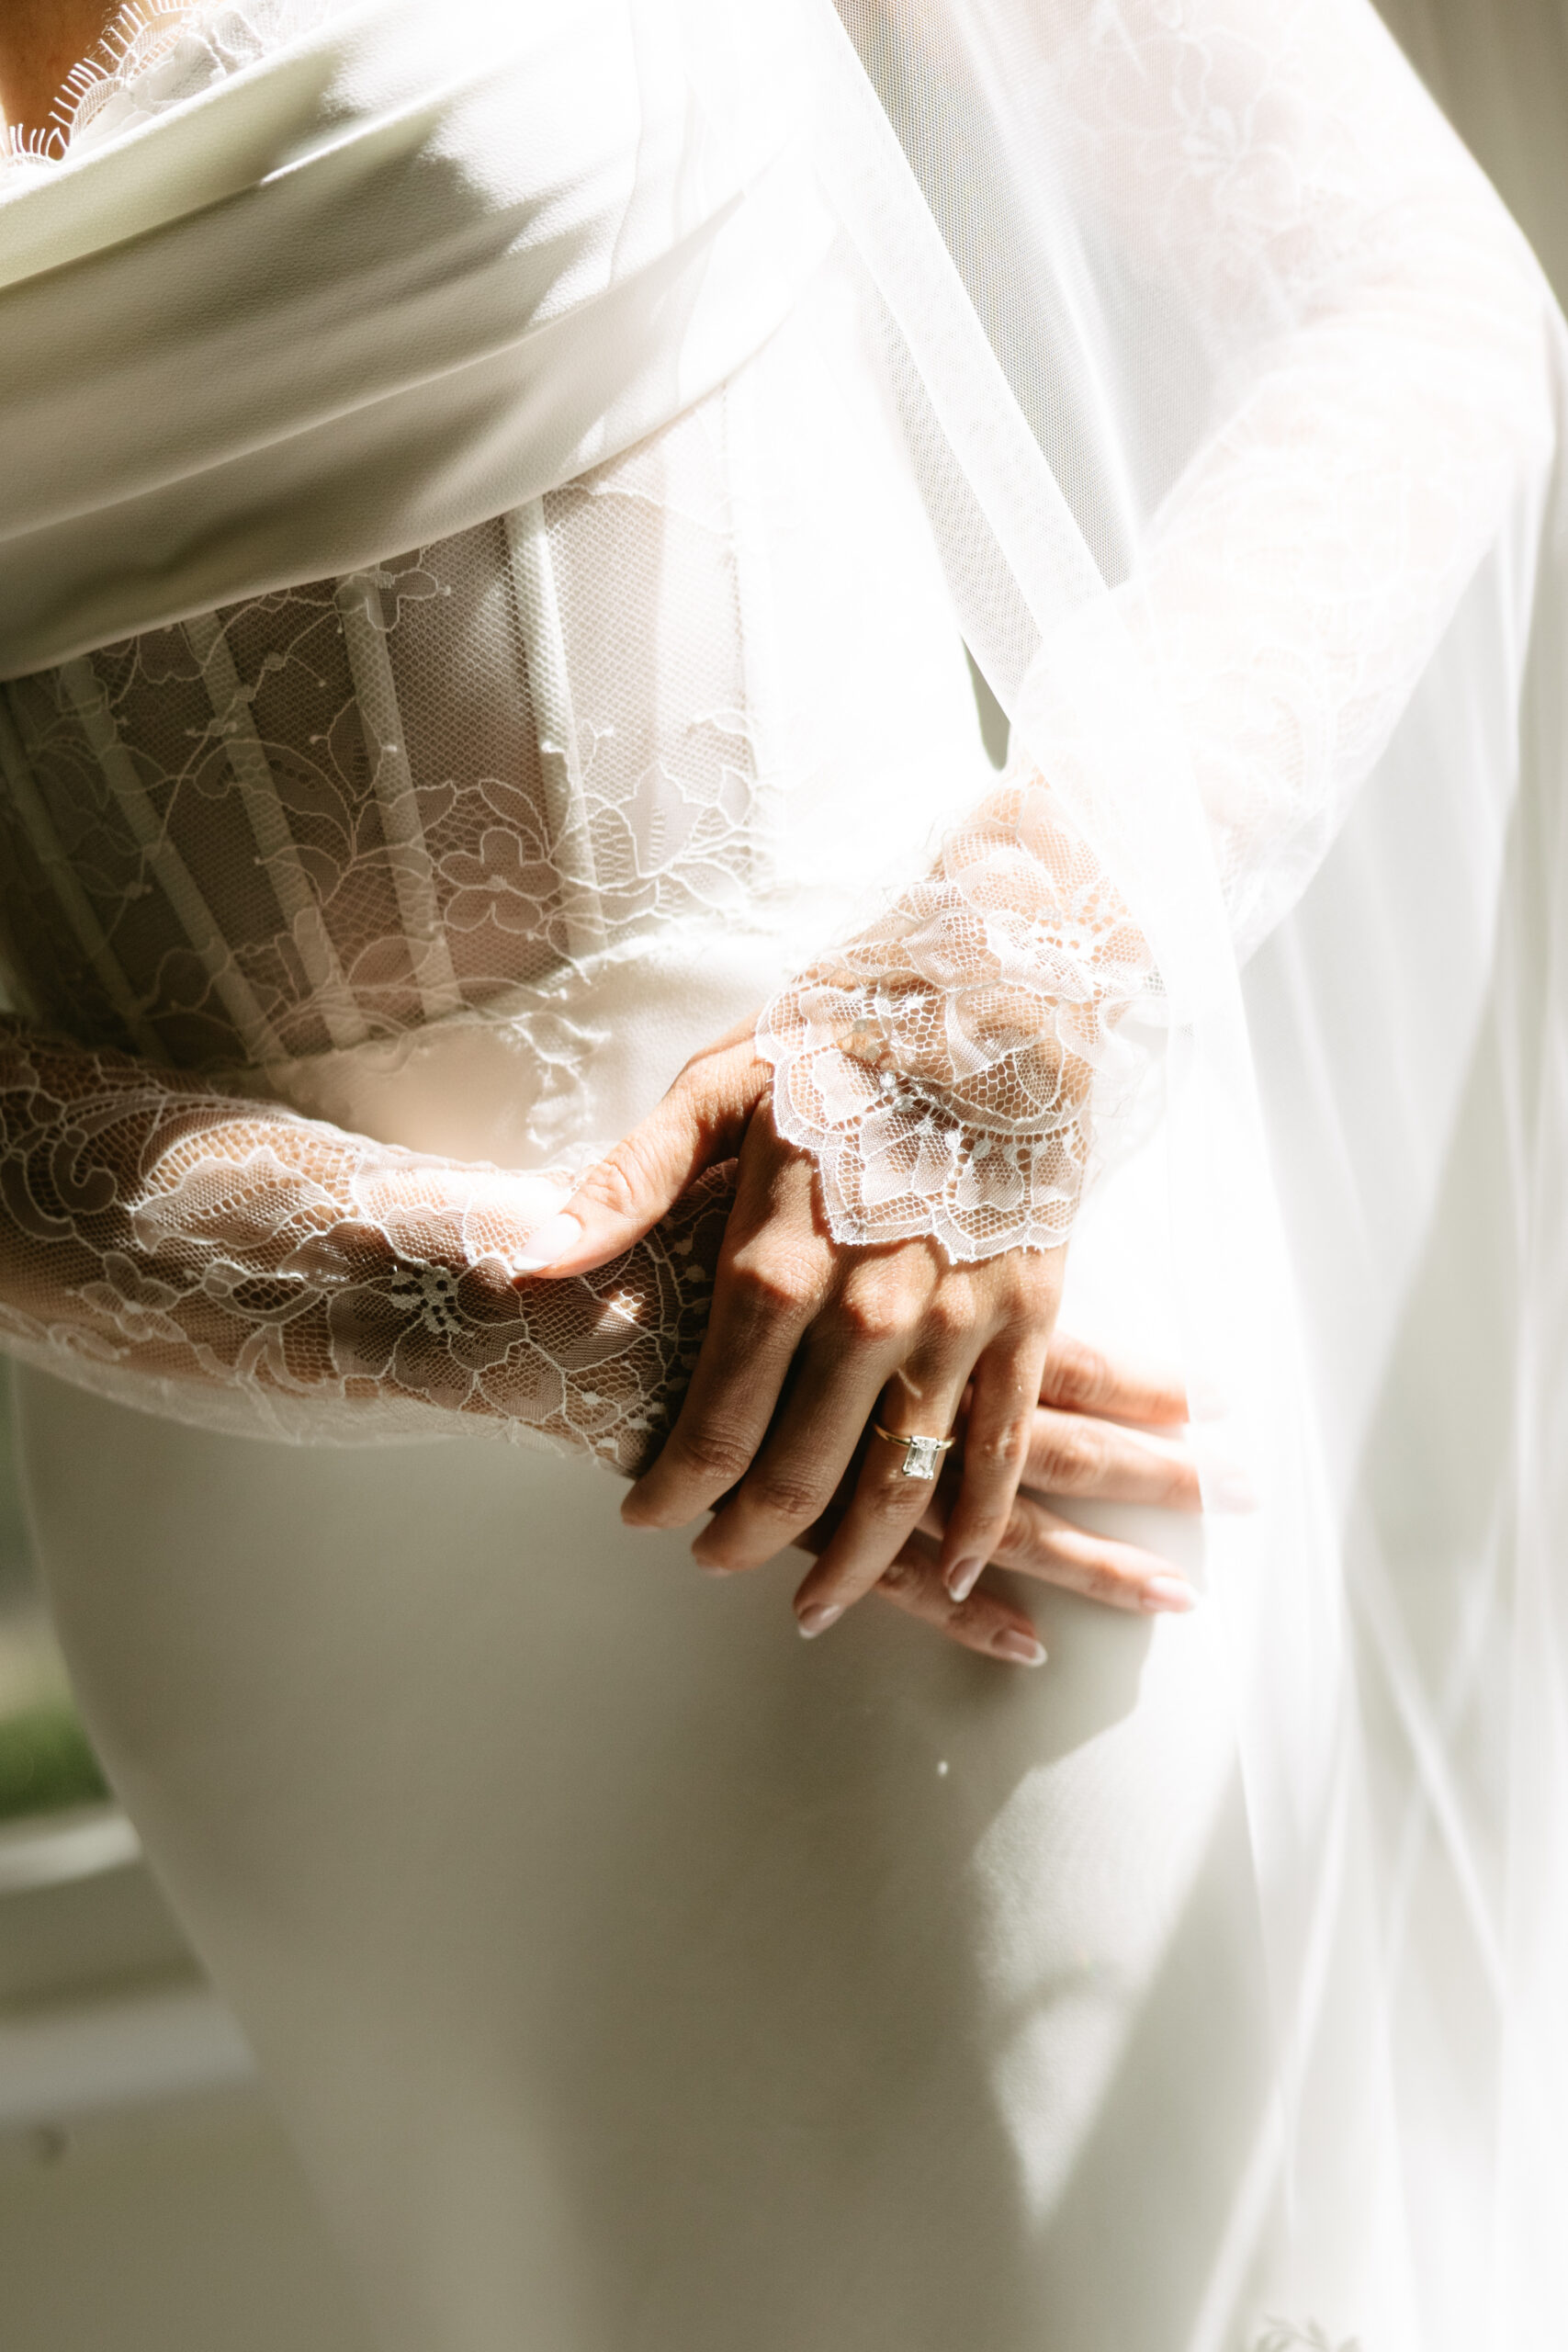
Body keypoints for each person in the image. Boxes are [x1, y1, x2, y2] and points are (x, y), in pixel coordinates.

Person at [0, 3, 1564, 2348]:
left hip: (913, 1334)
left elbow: (1402, 299)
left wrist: (977, 1036)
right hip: (259, 1494)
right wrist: (414, 1294)